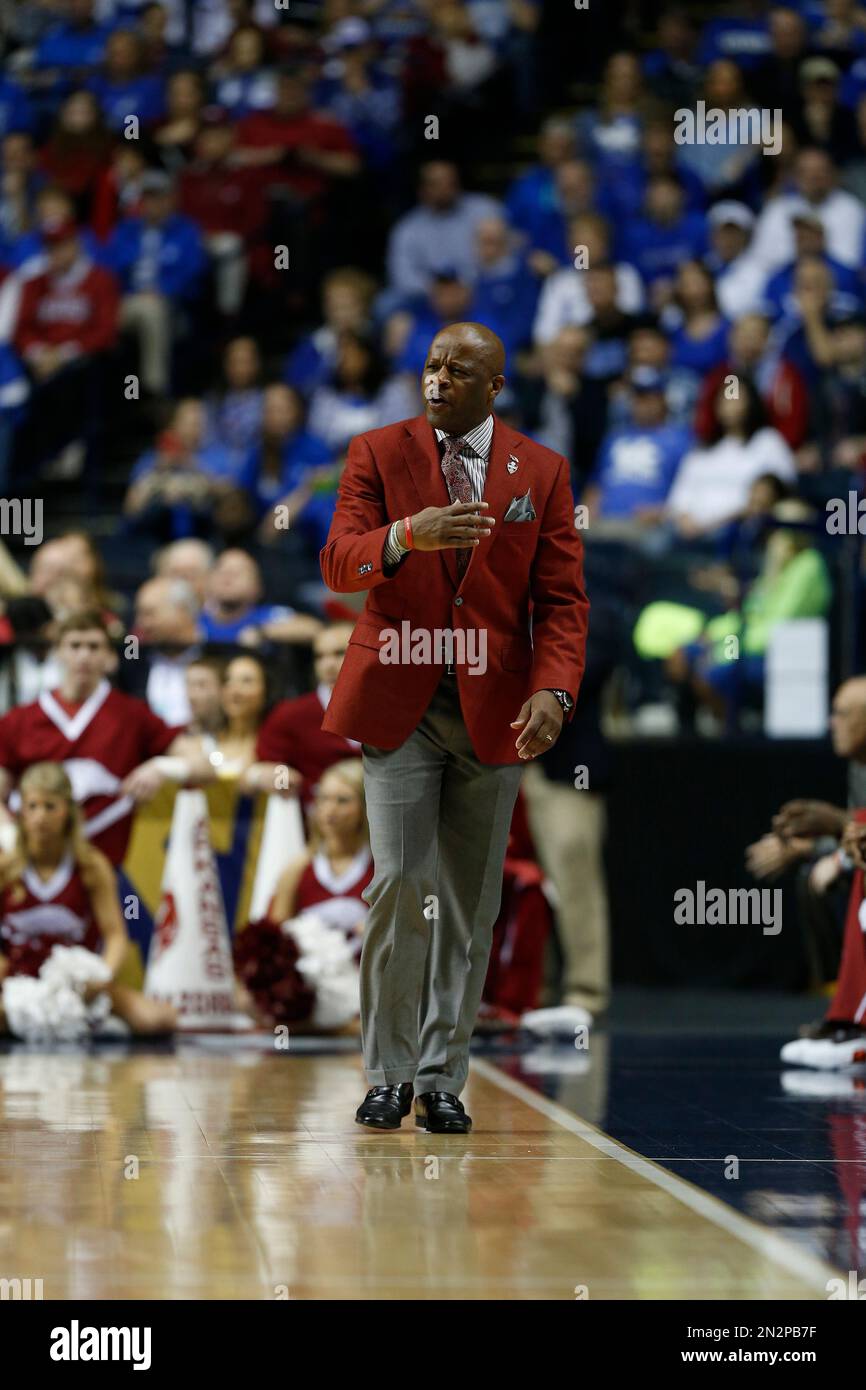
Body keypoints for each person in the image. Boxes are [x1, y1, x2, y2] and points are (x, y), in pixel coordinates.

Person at [320, 321, 588, 1133]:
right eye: (432, 366)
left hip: (495, 707)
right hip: (400, 702)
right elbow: (339, 564)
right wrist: (406, 536)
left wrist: (557, 692)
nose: (437, 380)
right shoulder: (376, 451)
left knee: (470, 904)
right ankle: (388, 1073)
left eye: (457, 371)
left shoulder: (539, 471)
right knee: (401, 883)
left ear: (493, 387)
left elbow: (564, 603)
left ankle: (442, 1077)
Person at [0, 609, 207, 866]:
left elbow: (203, 765)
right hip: (33, 865)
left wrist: (162, 767)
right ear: (58, 652)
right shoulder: (20, 719)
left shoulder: (132, 715)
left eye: (94, 646)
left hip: (105, 867)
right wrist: (9, 836)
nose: (84, 655)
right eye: (75, 646)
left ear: (110, 657)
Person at [0, 761, 176, 1036]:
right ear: (20, 812)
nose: (40, 817)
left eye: (50, 806)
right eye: (32, 806)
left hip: (78, 986)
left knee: (156, 1020)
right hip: (15, 983)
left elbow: (116, 934)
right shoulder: (7, 868)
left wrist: (100, 976)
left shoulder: (91, 866)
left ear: (67, 812)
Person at [247, 621, 360, 810]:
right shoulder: (291, 714)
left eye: (339, 653)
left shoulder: (391, 709)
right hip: (314, 829)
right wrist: (283, 780)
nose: (328, 665)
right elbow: (261, 768)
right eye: (319, 657)